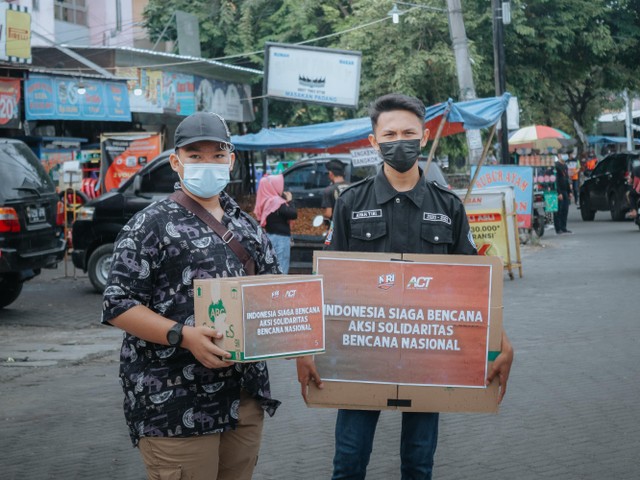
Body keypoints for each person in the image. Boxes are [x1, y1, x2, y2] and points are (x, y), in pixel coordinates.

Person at [296, 93, 514, 480]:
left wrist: (501, 339)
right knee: (348, 463)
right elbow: (324, 281)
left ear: (425, 137)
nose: (400, 141)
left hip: (426, 356)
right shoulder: (350, 203)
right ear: (373, 141)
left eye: (409, 132)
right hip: (359, 356)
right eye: (390, 133)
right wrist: (305, 348)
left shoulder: (448, 207)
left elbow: (474, 283)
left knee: (418, 464)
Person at [102, 112, 281, 480]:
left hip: (241, 399)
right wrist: (182, 336)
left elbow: (272, 295)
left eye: (217, 155)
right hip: (174, 401)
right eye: (195, 155)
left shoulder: (248, 227)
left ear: (231, 160)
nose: (207, 163)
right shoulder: (149, 224)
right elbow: (117, 304)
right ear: (176, 161)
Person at [254, 174, 297, 274]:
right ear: (273, 186)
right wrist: (290, 201)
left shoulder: (265, 200)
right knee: (281, 267)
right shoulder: (276, 202)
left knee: (271, 267)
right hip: (280, 239)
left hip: (270, 236)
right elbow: (293, 214)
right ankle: (279, 288)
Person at [321, 159, 349, 225]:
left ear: (330, 173)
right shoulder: (353, 187)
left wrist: (323, 217)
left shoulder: (329, 190)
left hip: (337, 227)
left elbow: (328, 213)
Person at [554, 154, 572, 234]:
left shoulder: (565, 166)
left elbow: (567, 179)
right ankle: (558, 228)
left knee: (565, 209)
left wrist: (570, 192)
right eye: (563, 155)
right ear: (559, 155)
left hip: (565, 190)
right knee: (559, 210)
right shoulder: (556, 166)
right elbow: (556, 181)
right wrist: (559, 193)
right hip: (559, 191)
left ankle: (563, 227)